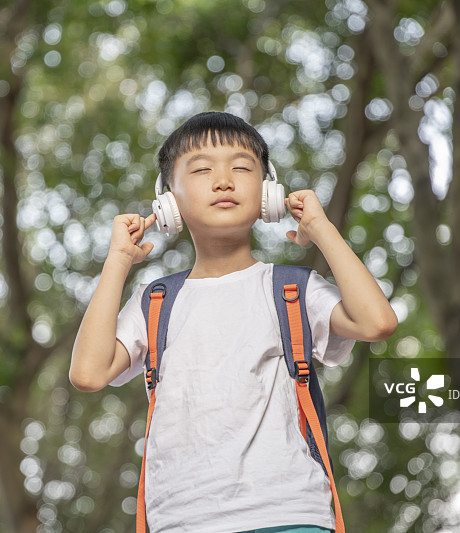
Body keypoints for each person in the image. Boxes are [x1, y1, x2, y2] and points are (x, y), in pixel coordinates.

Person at [70, 111, 397, 533]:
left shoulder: (292, 289)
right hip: (181, 521)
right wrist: (117, 262)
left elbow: (377, 322)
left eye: (242, 167)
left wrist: (320, 228)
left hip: (289, 515)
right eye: (202, 169)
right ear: (169, 200)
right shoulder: (155, 301)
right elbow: (88, 373)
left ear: (268, 192)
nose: (223, 180)